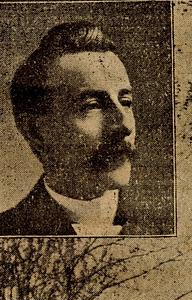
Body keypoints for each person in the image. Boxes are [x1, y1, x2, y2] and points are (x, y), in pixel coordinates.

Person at [0, 21, 137, 236]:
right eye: (93, 105)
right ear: (35, 131)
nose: (125, 125)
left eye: (126, 101)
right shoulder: (8, 231)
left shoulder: (170, 224)